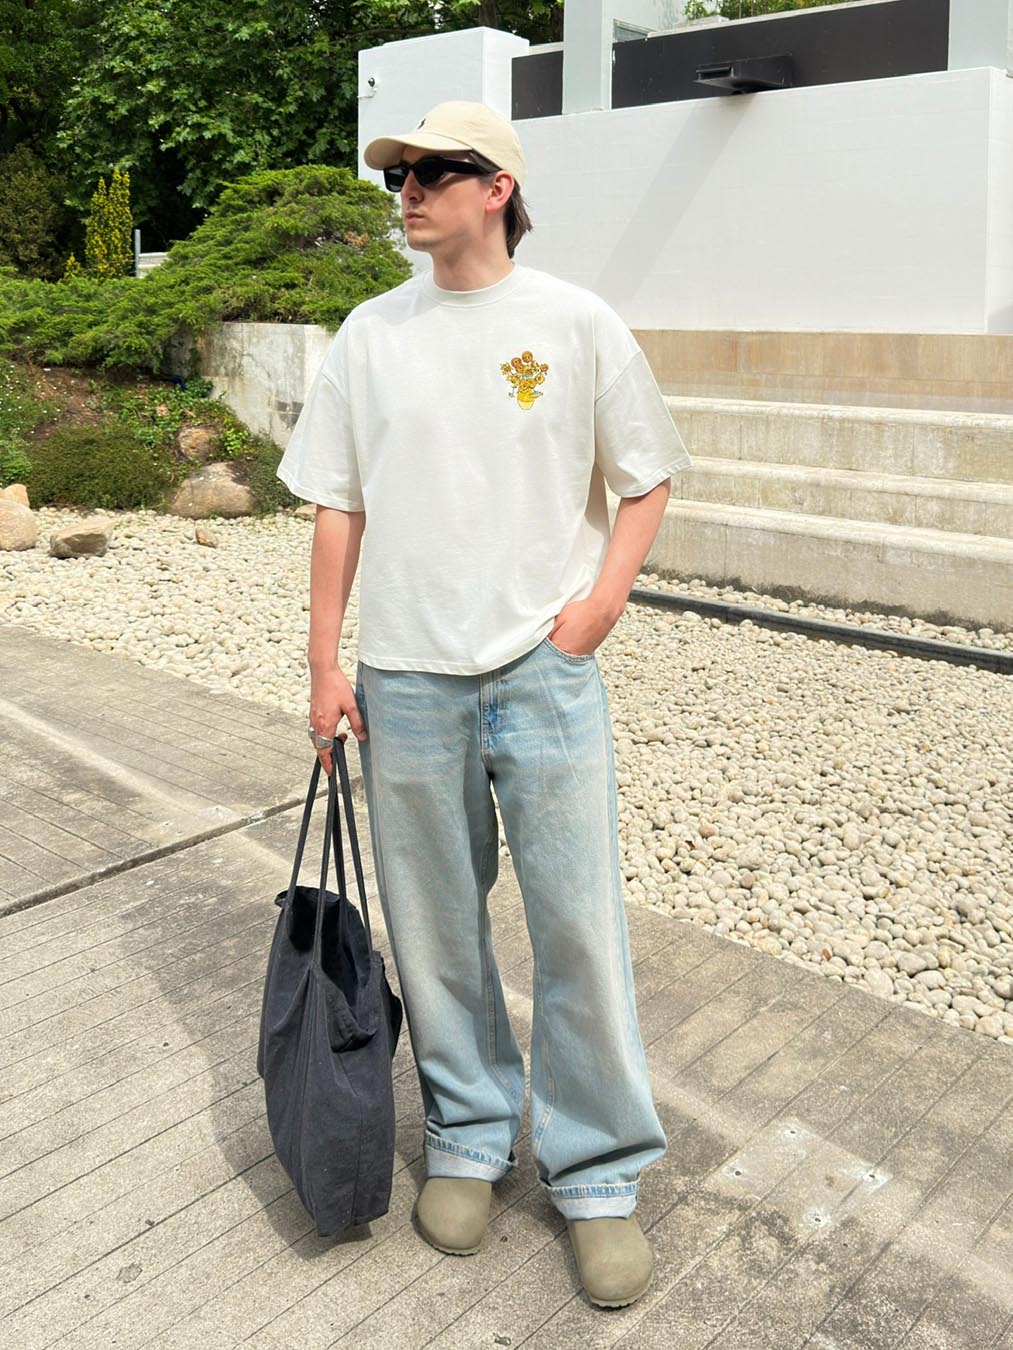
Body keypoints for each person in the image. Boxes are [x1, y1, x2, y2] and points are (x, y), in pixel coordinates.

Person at [276, 100, 691, 1309]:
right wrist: (323, 663)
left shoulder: (572, 323)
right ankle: (466, 1133)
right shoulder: (369, 335)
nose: (405, 191)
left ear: (495, 187)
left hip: (540, 670)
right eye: (397, 174)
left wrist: (598, 607)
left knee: (575, 926)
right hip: (407, 675)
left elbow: (646, 474)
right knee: (438, 928)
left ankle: (598, 1170)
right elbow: (336, 505)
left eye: (432, 173)